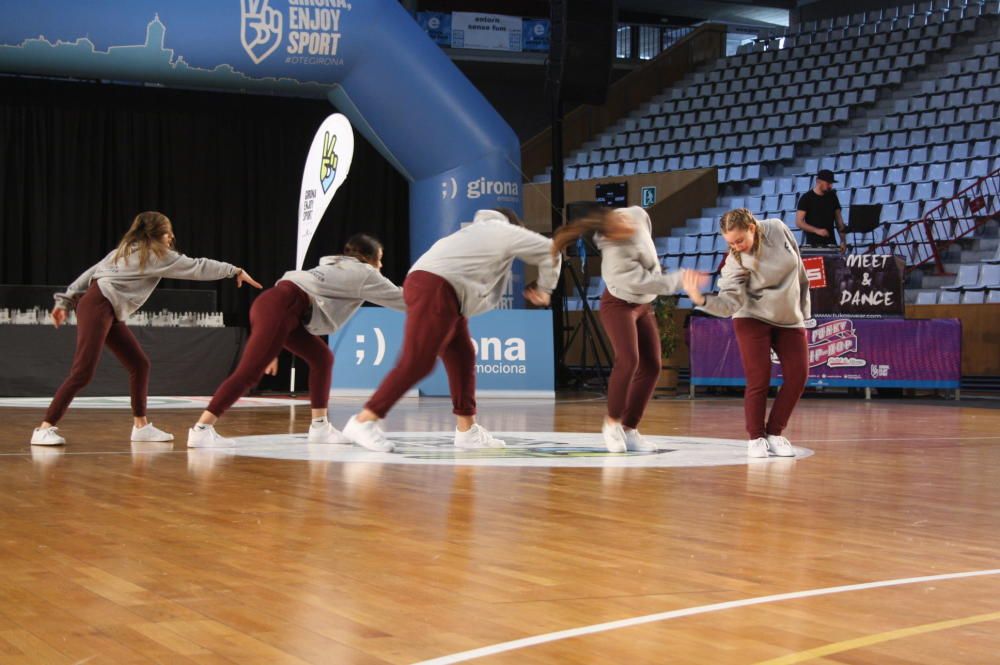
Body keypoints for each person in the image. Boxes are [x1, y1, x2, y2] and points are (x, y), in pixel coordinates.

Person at [339, 207, 629, 453]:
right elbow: (548, 250)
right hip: (437, 288)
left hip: (440, 290)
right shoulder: (503, 231)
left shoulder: (471, 233)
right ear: (515, 226)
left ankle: (467, 431)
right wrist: (544, 289)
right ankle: (364, 420)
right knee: (419, 361)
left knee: (462, 356)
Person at [32, 211, 261, 446]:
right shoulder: (155, 255)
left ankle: (140, 427)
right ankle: (43, 428)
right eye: (168, 233)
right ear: (157, 235)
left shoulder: (125, 251)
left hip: (103, 307)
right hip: (98, 305)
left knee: (139, 364)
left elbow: (87, 275)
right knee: (82, 372)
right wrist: (235, 270)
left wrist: (65, 301)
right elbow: (196, 267)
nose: (171, 238)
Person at [187, 234, 405, 448]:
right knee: (248, 374)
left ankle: (320, 428)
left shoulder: (335, 264)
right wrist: (432, 296)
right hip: (283, 308)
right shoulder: (364, 272)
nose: (382, 264)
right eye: (380, 258)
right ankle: (201, 430)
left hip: (278, 306)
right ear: (369, 258)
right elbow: (401, 298)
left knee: (322, 359)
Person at [683, 208, 810, 458]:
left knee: (798, 376)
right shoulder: (734, 261)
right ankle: (756, 437)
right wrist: (699, 298)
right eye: (730, 243)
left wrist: (803, 310)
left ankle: (775, 433)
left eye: (739, 240)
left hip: (788, 316)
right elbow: (729, 303)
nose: (736, 246)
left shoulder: (777, 228)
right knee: (759, 378)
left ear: (752, 227)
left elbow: (800, 269)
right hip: (751, 317)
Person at [589, 203, 707, 453]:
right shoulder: (614, 257)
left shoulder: (637, 214)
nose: (626, 228)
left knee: (652, 365)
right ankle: (611, 424)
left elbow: (648, 252)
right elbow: (649, 282)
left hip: (643, 305)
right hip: (618, 303)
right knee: (628, 360)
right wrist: (681, 278)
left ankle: (630, 429)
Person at [796, 169, 847, 252]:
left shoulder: (833, 197)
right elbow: (799, 222)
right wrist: (817, 230)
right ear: (818, 181)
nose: (830, 186)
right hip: (813, 247)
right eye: (828, 183)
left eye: (831, 183)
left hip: (831, 245)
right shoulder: (806, 198)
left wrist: (843, 241)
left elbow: (839, 222)